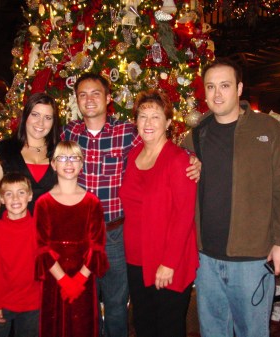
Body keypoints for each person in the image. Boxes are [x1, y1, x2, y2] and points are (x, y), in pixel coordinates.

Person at [61, 73, 200, 337]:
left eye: (96, 93)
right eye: (83, 94)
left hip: (120, 238)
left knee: (120, 308)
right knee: (93, 308)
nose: (89, 100)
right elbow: (40, 150)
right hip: (98, 240)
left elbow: (183, 211)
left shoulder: (126, 134)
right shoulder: (69, 133)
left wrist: (193, 160)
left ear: (108, 98)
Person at [182, 58, 280, 337]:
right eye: (211, 86)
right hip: (206, 259)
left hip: (252, 260)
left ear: (239, 88)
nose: (216, 94)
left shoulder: (268, 130)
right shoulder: (196, 135)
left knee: (252, 332)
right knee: (213, 332)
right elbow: (178, 181)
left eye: (224, 86)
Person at [119, 90, 198, 337]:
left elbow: (184, 216)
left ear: (168, 122)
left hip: (167, 259)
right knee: (143, 323)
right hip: (136, 257)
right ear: (136, 122)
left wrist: (169, 263)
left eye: (156, 116)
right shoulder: (133, 155)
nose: (149, 123)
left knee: (168, 328)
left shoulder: (179, 160)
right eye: (143, 116)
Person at [34, 140, 109, 337]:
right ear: (53, 164)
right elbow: (42, 247)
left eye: (74, 158)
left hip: (83, 280)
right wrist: (64, 281)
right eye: (63, 158)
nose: (69, 163)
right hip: (54, 280)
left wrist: (79, 281)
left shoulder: (93, 203)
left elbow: (97, 246)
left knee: (82, 327)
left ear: (82, 164)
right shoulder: (43, 204)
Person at [0, 92, 60, 228]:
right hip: (12, 233)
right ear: (25, 117)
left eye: (48, 117)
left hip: (48, 233)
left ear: (54, 122)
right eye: (35, 115)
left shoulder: (60, 153)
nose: (40, 123)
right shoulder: (3, 151)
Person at [0, 172, 40, 337]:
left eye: (21, 192)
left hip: (32, 303)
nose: (15, 198)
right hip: (2, 301)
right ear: (1, 199)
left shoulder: (39, 228)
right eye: (9, 194)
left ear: (29, 196)